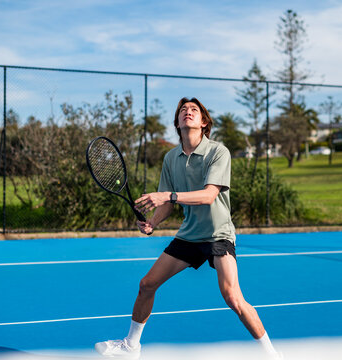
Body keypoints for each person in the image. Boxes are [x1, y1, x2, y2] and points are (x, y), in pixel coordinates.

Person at [95, 97, 281, 359]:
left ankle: (272, 354)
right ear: (178, 123)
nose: (188, 112)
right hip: (189, 235)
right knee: (147, 284)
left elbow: (207, 196)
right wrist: (153, 222)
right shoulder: (171, 158)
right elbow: (166, 206)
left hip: (218, 234)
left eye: (194, 110)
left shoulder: (218, 152)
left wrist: (168, 196)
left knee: (232, 297)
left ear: (204, 122)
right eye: (183, 110)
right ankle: (131, 346)